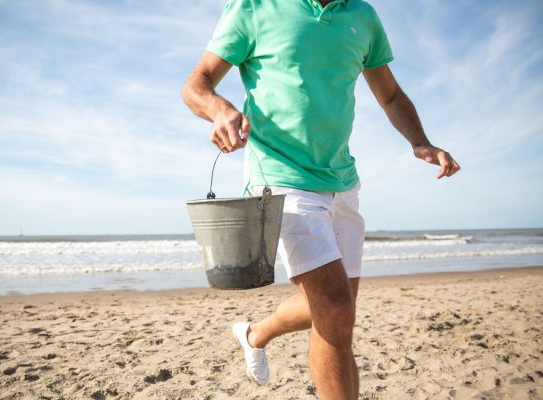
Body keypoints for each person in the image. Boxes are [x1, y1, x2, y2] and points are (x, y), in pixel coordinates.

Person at [182, 0, 460, 398]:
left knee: (335, 314)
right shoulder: (255, 7)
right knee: (336, 307)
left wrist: (420, 141)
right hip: (280, 177)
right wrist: (219, 109)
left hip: (343, 181)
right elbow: (197, 83)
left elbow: (391, 95)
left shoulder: (362, 16)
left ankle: (255, 333)